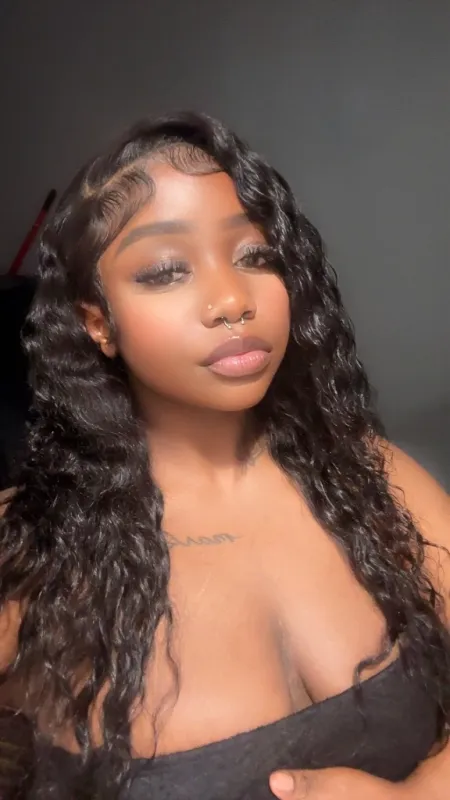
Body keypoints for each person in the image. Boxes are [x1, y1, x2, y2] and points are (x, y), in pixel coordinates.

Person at [0, 111, 449, 800]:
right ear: (98, 323)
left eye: (255, 257)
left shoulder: (373, 477)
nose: (232, 300)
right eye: (166, 270)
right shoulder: (28, 552)